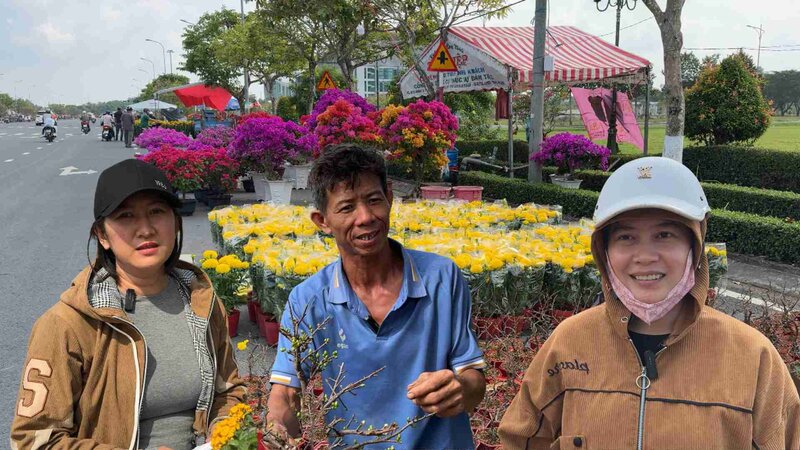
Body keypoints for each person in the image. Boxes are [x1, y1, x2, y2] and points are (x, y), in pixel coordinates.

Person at [499, 157, 800, 449]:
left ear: (694, 246)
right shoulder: (569, 341)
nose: (645, 256)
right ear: (604, 252)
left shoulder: (752, 356)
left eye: (664, 235)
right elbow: (521, 438)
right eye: (626, 237)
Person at [10, 159, 246, 449]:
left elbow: (229, 390)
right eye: (125, 216)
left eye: (157, 212)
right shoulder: (67, 324)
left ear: (176, 221)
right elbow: (34, 439)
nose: (145, 229)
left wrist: (223, 435)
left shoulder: (202, 302)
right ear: (102, 235)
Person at [267, 144, 487, 448]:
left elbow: (473, 378)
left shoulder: (441, 279)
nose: (366, 217)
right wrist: (277, 423)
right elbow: (285, 390)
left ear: (390, 198)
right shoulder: (308, 300)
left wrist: (459, 389)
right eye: (346, 208)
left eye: (374, 200)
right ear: (322, 221)